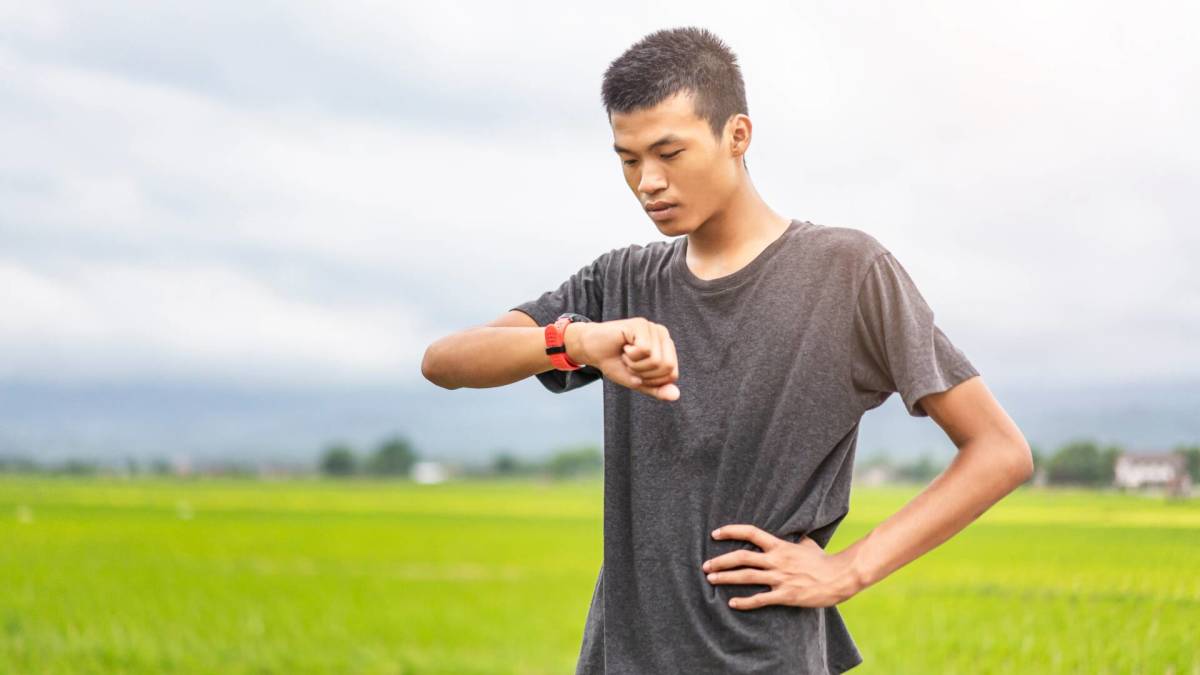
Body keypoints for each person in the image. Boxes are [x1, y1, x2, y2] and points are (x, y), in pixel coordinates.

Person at [421, 25, 1033, 675]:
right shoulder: (620, 280)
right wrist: (575, 341)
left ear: (737, 135)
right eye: (628, 160)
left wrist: (849, 569)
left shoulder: (847, 271)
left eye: (669, 153)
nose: (648, 181)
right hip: (619, 659)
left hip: (765, 656)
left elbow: (999, 450)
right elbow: (445, 361)